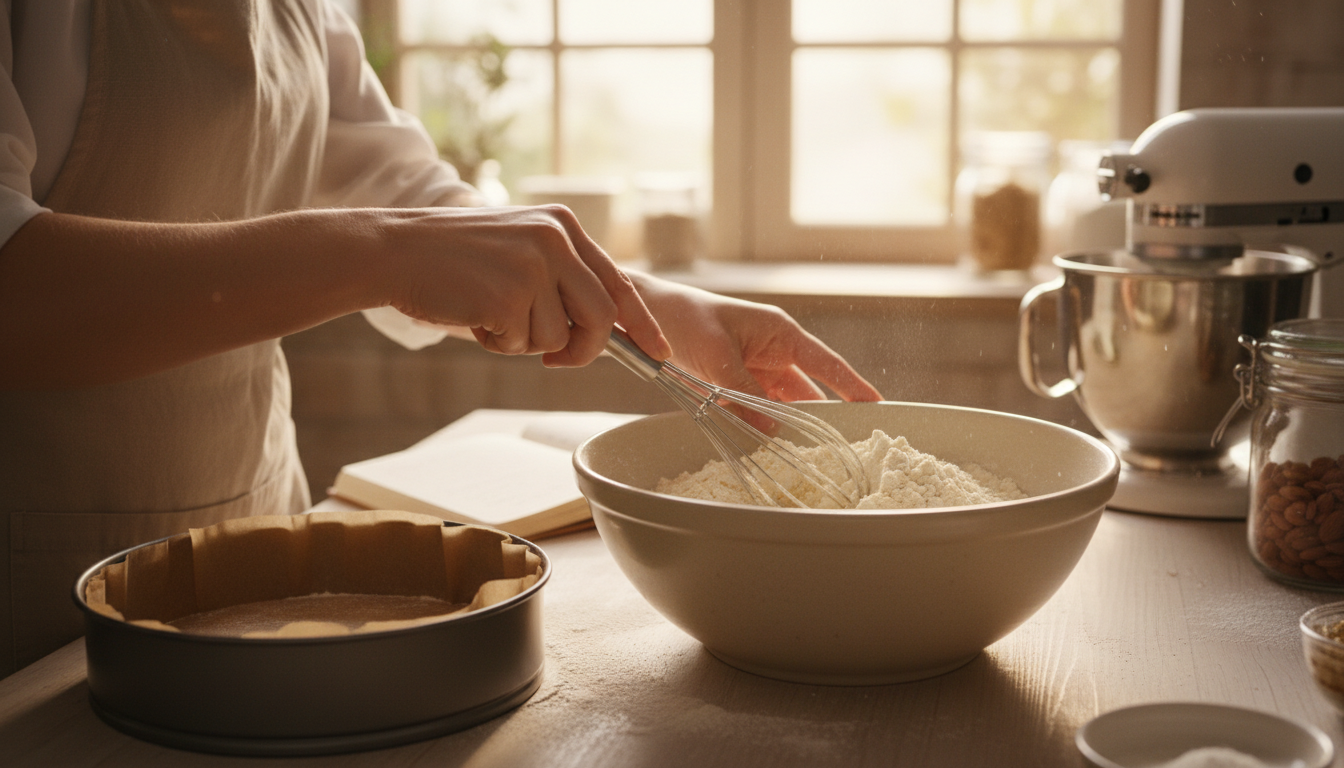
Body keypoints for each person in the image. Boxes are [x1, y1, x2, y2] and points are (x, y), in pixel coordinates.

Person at [0, 0, 881, 677]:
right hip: (39, 605)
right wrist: (386, 253)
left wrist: (651, 303)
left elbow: (397, 193)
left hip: (256, 544)